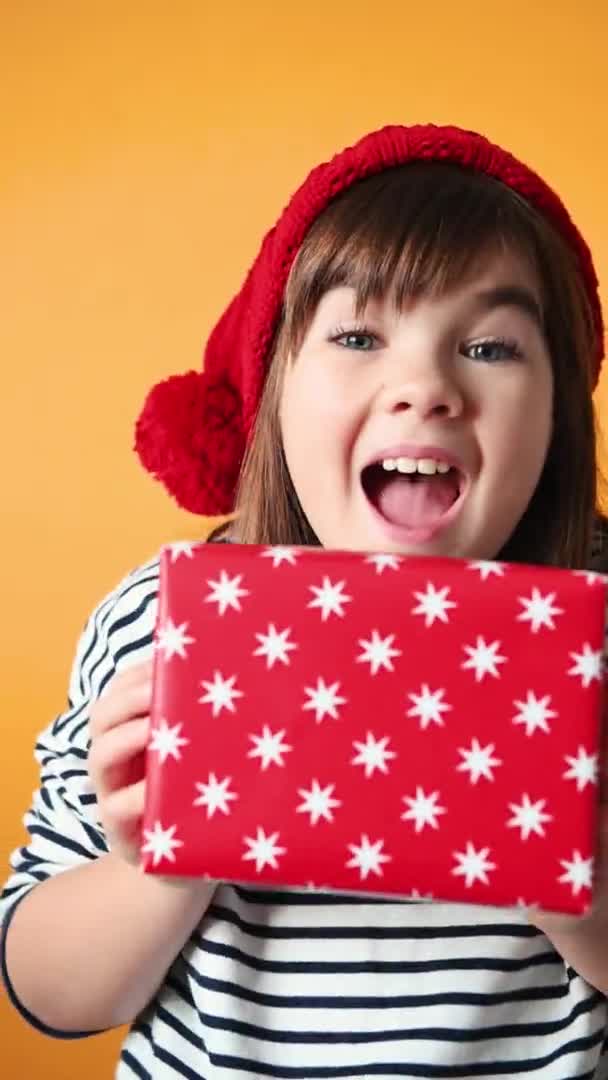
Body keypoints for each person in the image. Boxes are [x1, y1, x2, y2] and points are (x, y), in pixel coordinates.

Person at [1, 123, 607, 1079]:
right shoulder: (156, 626)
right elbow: (47, 993)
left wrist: (583, 878)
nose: (424, 388)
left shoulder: (600, 635)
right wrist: (160, 860)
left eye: (491, 345)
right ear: (276, 389)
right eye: (359, 335)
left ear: (560, 412)